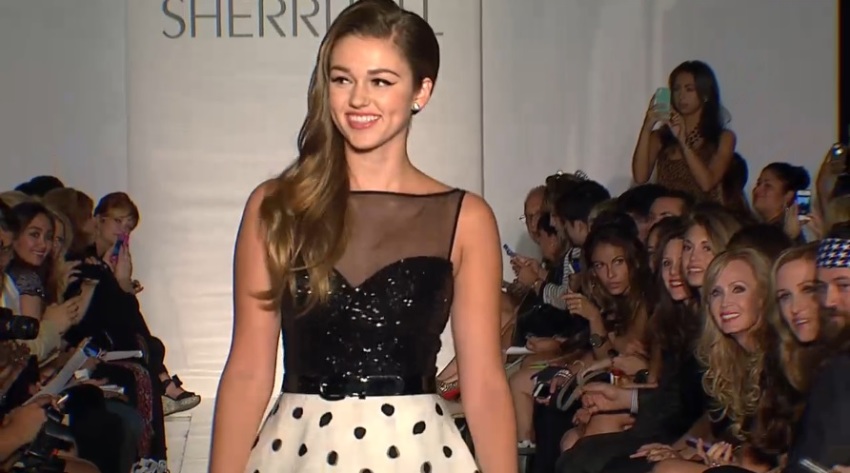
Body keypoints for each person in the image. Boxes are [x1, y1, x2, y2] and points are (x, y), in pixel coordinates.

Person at [209, 1, 517, 472]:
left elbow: (485, 384)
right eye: (342, 79)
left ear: (422, 90)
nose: (358, 99)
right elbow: (249, 370)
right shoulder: (276, 208)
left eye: (381, 81)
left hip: (417, 453)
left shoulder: (465, 218)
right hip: (297, 450)